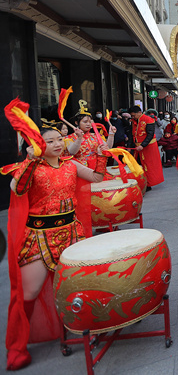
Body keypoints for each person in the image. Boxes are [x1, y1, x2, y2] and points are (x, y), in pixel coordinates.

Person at [3, 114, 107, 371]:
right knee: (29, 293)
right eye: (50, 141)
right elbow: (17, 189)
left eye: (59, 139)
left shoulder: (71, 165)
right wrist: (29, 159)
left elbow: (96, 178)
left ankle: (89, 325)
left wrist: (103, 155)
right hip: (38, 236)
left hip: (72, 232)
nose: (58, 144)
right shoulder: (30, 168)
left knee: (81, 283)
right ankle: (17, 346)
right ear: (37, 145)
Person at [66, 100, 115, 169]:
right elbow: (72, 152)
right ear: (76, 123)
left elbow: (108, 148)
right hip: (81, 170)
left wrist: (111, 134)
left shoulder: (95, 136)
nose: (88, 124)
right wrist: (79, 138)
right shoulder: (69, 138)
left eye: (90, 122)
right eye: (85, 122)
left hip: (96, 168)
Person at [130, 105, 164, 190]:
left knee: (148, 165)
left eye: (134, 115)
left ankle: (148, 184)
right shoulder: (134, 120)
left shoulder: (148, 120)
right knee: (138, 164)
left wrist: (142, 145)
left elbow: (150, 134)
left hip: (148, 147)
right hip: (138, 147)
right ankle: (141, 182)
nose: (132, 117)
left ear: (139, 113)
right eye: (132, 115)